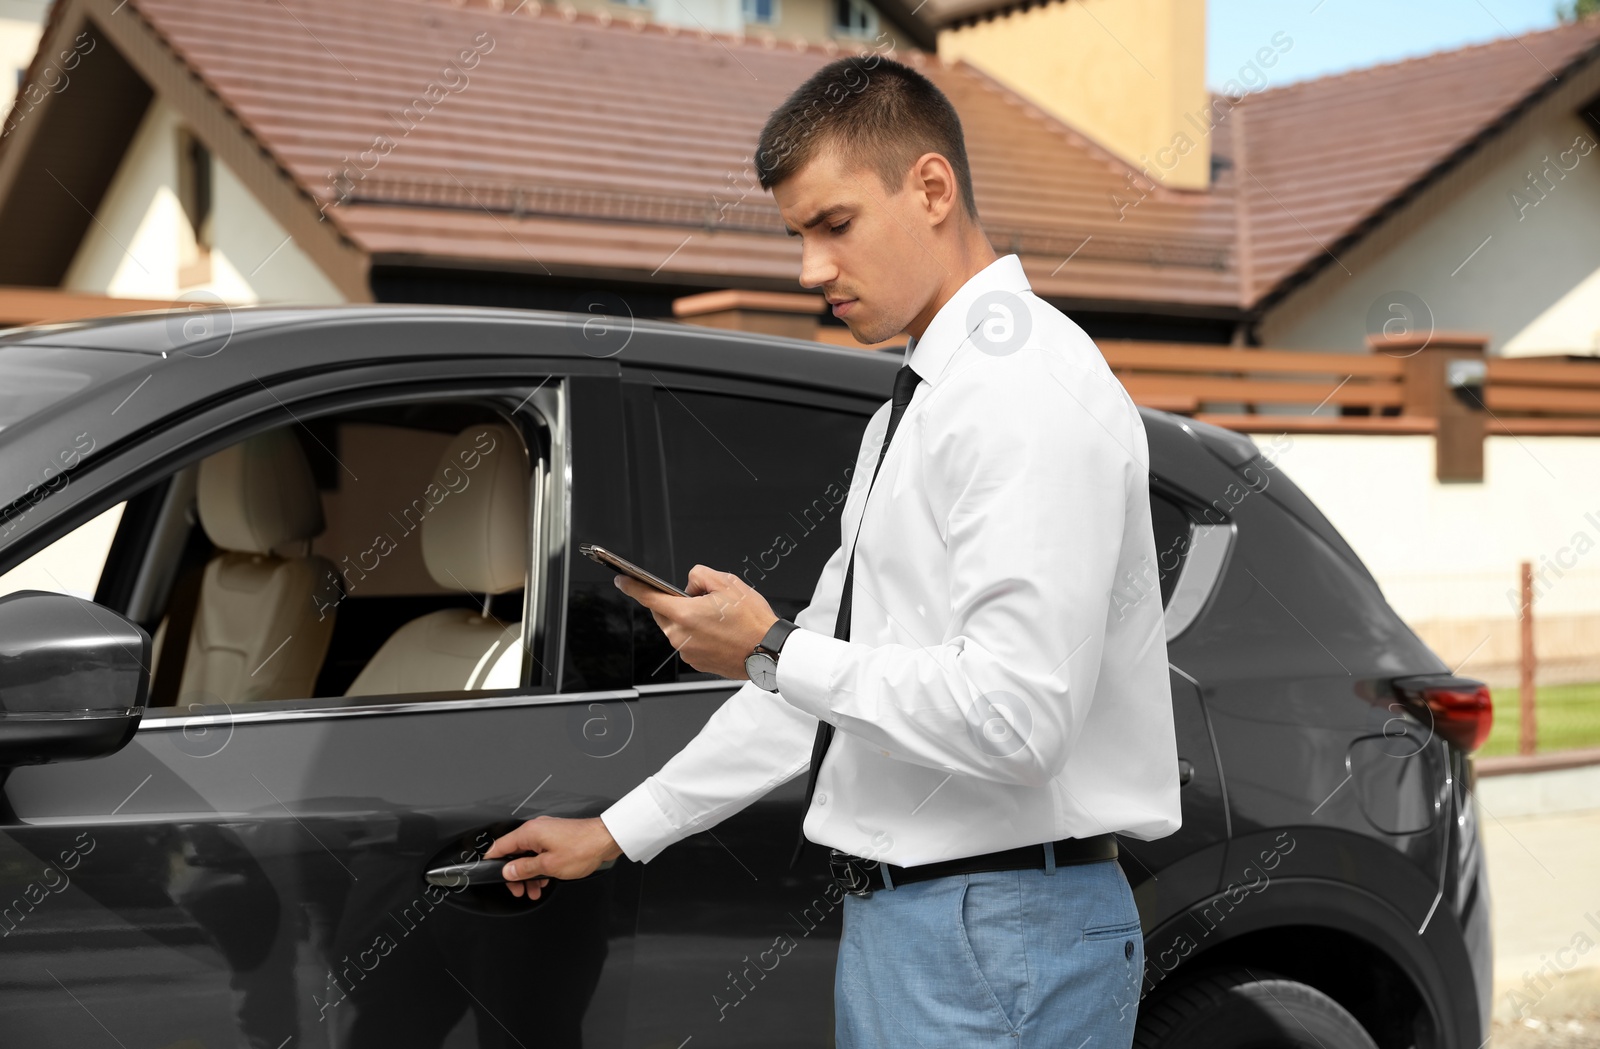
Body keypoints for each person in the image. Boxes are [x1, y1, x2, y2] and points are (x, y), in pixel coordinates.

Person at [484, 53, 1182, 1047]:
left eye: (834, 224)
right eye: (797, 235)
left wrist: (769, 645)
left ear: (931, 187)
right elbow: (811, 689)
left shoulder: (1023, 391)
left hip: (991, 930)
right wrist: (616, 831)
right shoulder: (923, 402)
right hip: (931, 923)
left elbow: (1018, 719)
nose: (809, 269)